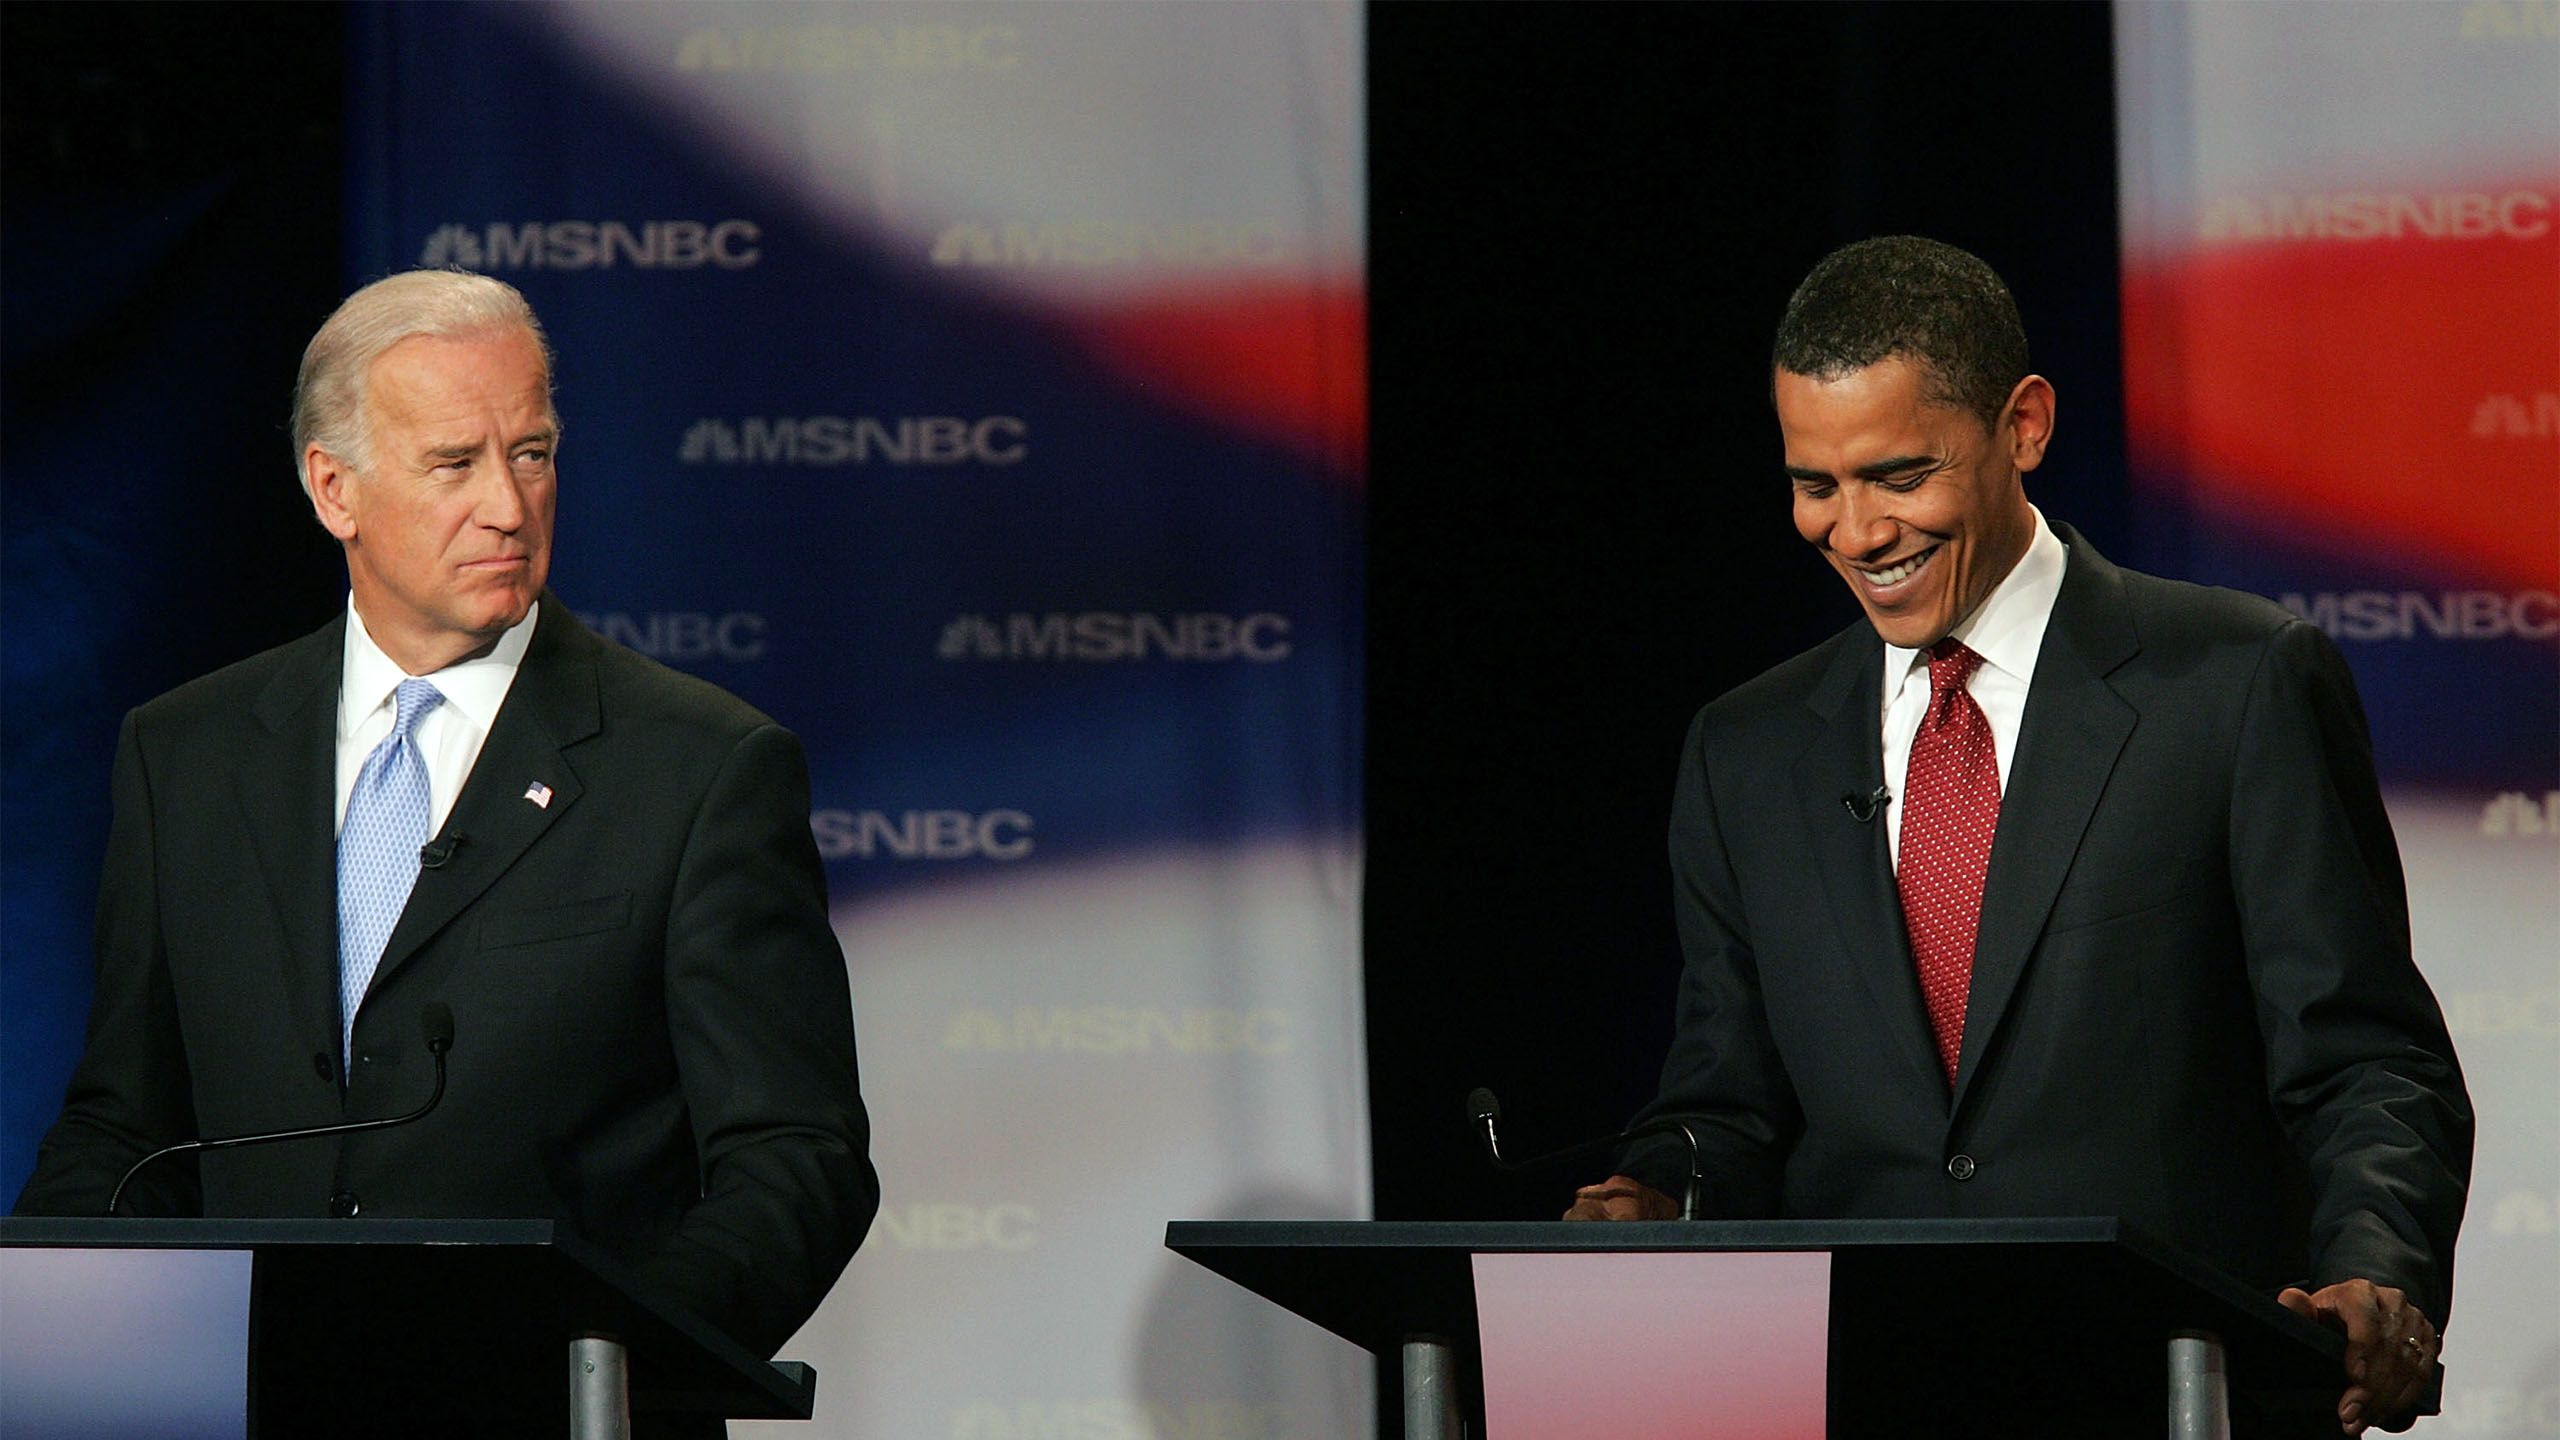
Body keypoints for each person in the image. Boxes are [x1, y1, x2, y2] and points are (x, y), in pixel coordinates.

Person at [1565, 237, 2470, 1436]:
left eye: (1897, 475)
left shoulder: (2234, 681)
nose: (1854, 532)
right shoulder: (1748, 748)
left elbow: (2366, 1060)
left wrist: (2378, 1271)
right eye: (1813, 484)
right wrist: (1653, 1195)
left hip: (2177, 1391)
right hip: (1863, 1393)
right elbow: (1728, 1103)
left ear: (2023, 426)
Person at [16, 270, 876, 1377]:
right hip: (254, 1398)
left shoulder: (702, 768)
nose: (509, 508)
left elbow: (794, 1159)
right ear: (335, 491)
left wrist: (605, 1359)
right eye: (453, 464)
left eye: (531, 452)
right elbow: (126, 1131)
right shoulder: (186, 753)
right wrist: (54, 1353)